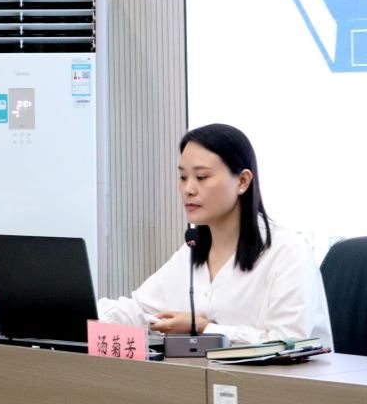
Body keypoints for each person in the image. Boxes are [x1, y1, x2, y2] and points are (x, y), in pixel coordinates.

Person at [98, 123, 332, 346]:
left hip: (282, 376)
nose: (188, 189)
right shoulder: (193, 249)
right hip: (207, 375)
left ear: (242, 181)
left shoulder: (288, 251)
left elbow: (290, 343)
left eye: (201, 177)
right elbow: (140, 312)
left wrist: (205, 329)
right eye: (183, 177)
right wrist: (85, 311)